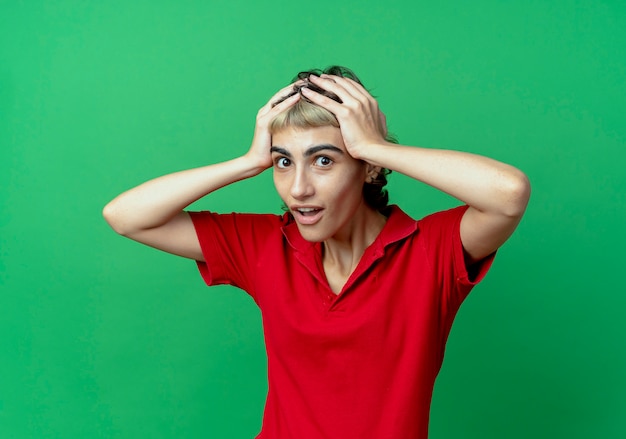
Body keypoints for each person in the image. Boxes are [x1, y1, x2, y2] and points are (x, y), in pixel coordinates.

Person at [103, 66, 530, 438]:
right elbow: (126, 216)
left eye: (323, 160)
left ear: (369, 168)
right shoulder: (265, 245)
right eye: (284, 162)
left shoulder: (430, 252)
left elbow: (508, 194)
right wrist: (249, 161)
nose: (298, 188)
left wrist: (375, 147)